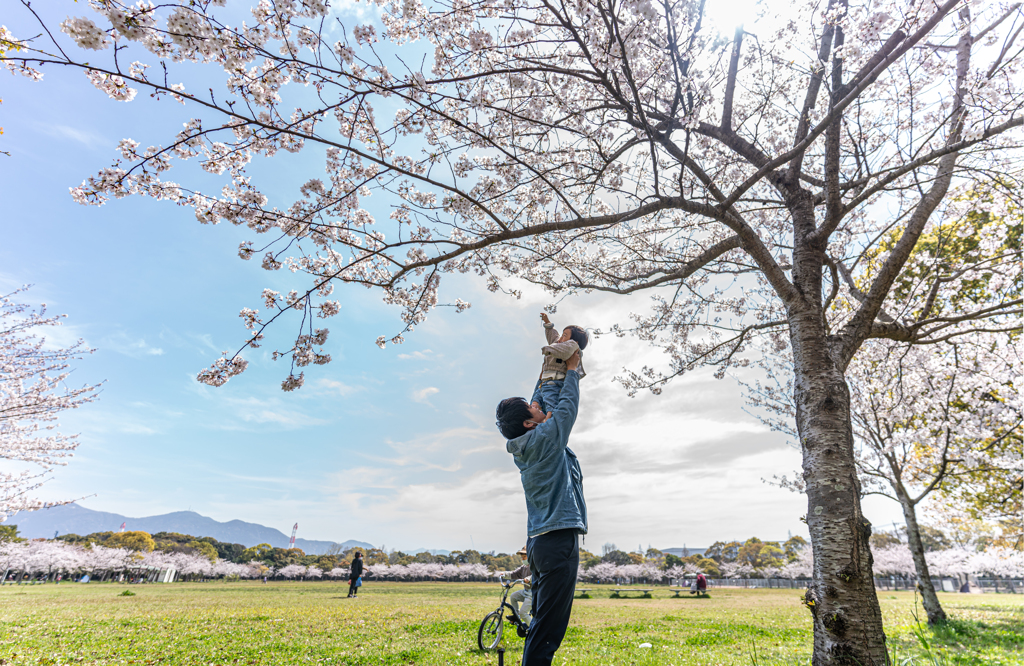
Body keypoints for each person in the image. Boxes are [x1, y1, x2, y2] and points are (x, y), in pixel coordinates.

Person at [495, 348, 586, 666]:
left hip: (539, 543)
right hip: (558, 540)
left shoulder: (526, 441)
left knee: (540, 626)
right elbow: (565, 410)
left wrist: (547, 372)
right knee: (547, 631)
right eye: (532, 409)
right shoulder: (546, 438)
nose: (537, 406)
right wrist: (572, 371)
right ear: (529, 423)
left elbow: (541, 406)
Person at [533, 313, 588, 415]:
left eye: (565, 335)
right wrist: (547, 322)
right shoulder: (558, 342)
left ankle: (548, 419)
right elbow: (553, 334)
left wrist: (548, 349)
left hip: (555, 382)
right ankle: (536, 412)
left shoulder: (572, 346)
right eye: (562, 334)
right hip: (544, 383)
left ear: (574, 341)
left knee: (551, 403)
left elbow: (564, 351)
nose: (561, 338)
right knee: (536, 401)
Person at [503, 546, 533, 626]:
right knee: (513, 596)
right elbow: (514, 574)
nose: (523, 559)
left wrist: (528, 578)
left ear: (530, 555)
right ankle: (516, 616)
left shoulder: (534, 566)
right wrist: (504, 574)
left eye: (524, 556)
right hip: (525, 591)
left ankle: (535, 631)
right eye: (522, 557)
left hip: (532, 593)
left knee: (523, 613)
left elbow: (536, 575)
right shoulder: (523, 567)